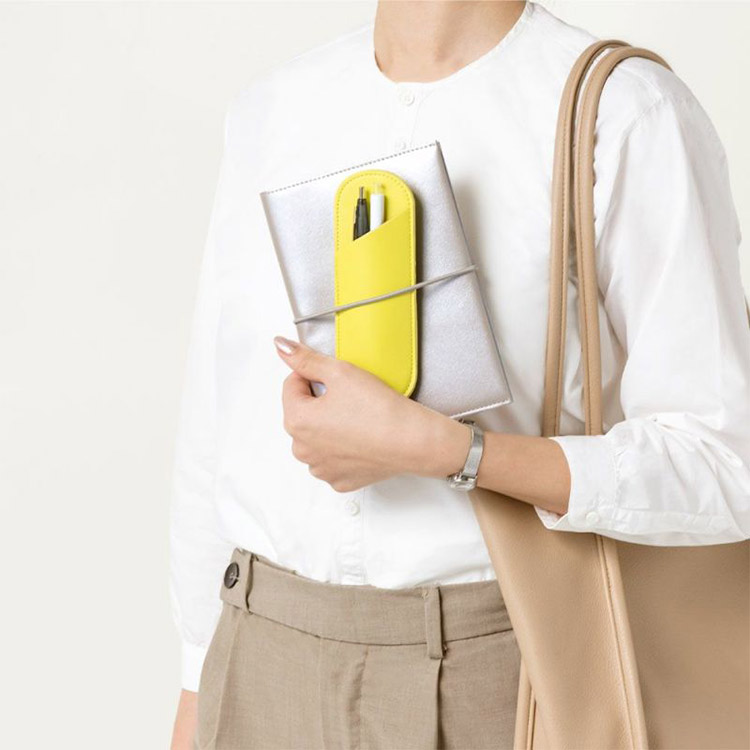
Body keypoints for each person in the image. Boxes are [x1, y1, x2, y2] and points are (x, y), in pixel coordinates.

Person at [169, 2, 750, 748]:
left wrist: (455, 453)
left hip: (505, 667)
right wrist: (197, 681)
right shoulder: (272, 109)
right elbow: (214, 428)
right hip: (258, 657)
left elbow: (723, 460)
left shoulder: (623, 112)